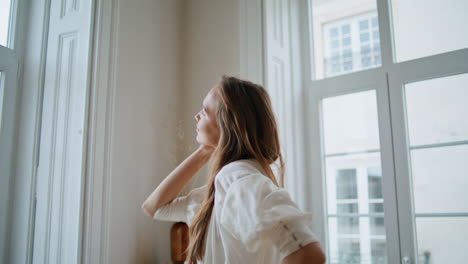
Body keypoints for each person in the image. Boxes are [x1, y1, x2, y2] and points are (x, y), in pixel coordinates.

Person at [142, 75, 326, 264]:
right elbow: (154, 207)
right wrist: (204, 152)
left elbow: (310, 255)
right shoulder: (218, 193)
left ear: (227, 125)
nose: (196, 116)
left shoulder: (237, 177)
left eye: (204, 111)